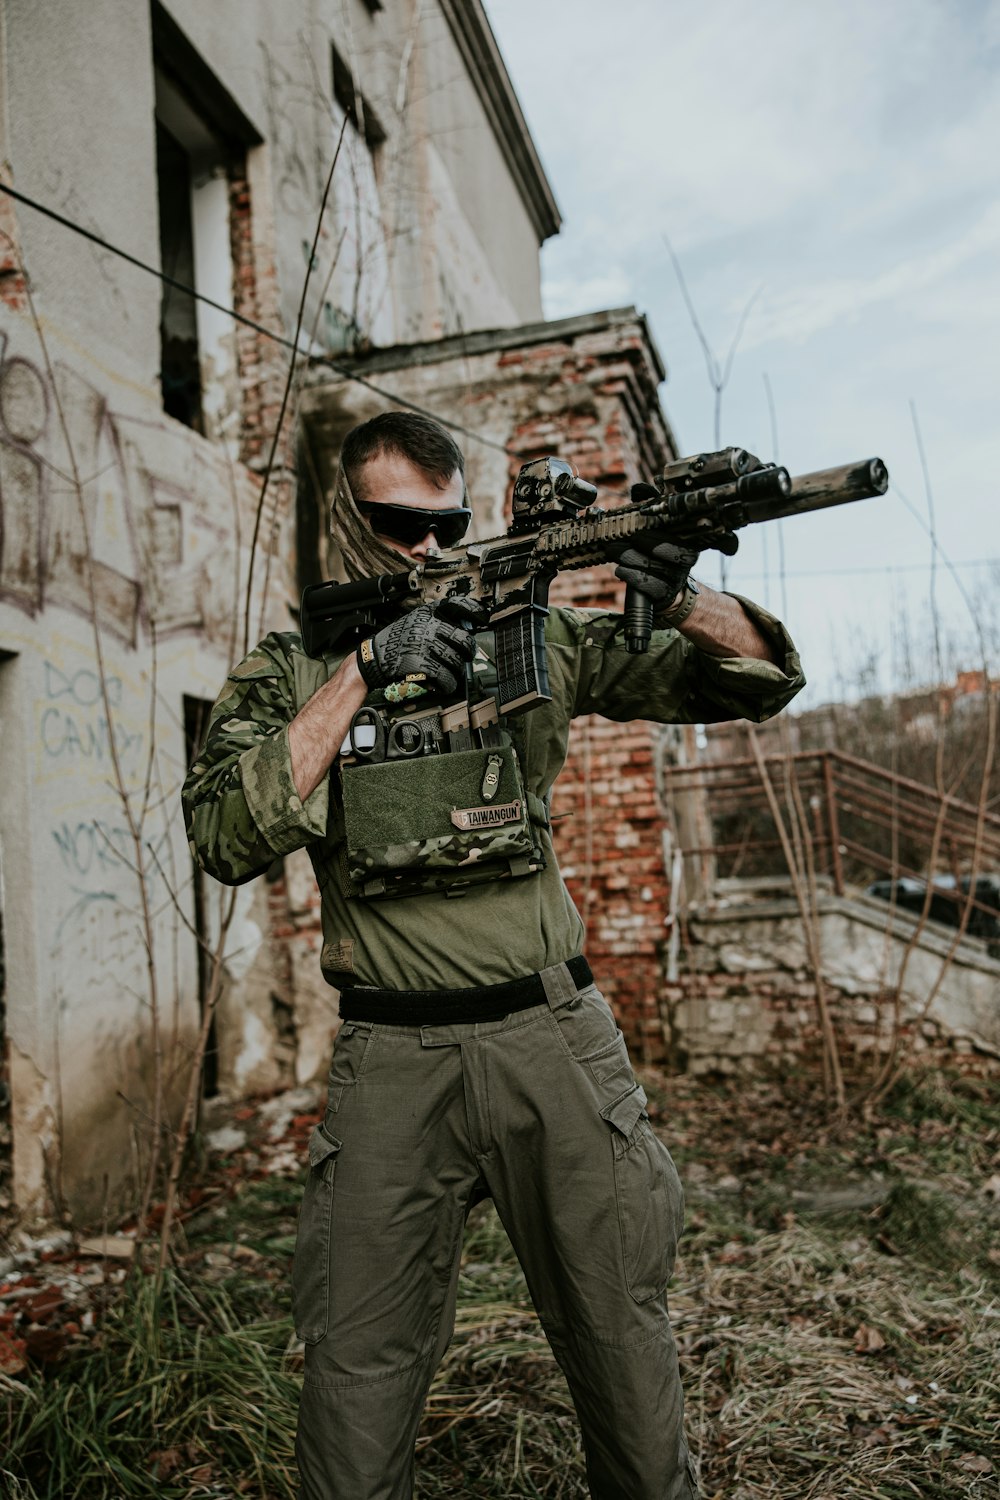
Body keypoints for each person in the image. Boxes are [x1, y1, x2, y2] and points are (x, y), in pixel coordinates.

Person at [183, 411, 805, 1500]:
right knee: (354, 1378)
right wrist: (364, 672)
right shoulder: (290, 670)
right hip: (390, 1063)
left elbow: (750, 683)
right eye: (397, 526)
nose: (428, 551)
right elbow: (224, 834)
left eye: (449, 526)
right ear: (347, 522)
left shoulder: (532, 637)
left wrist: (683, 599)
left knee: (623, 1345)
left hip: (550, 1040)